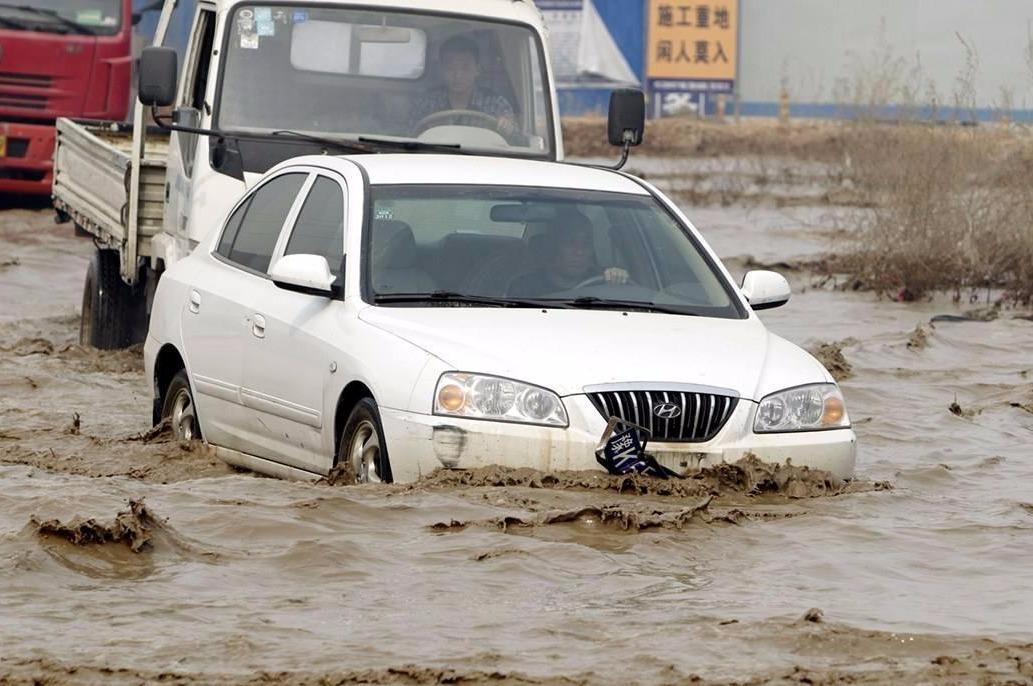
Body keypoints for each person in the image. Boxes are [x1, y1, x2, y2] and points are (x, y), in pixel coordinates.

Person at [410, 35, 519, 140]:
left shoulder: (496, 104)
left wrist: (508, 127)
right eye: (450, 67)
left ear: (478, 69)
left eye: (465, 67)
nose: (458, 75)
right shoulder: (427, 103)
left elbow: (516, 140)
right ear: (441, 69)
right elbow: (412, 135)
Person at [508, 212, 630, 297]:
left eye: (586, 244)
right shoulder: (524, 288)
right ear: (553, 247)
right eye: (570, 243)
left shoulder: (605, 282)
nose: (579, 252)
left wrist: (620, 280)